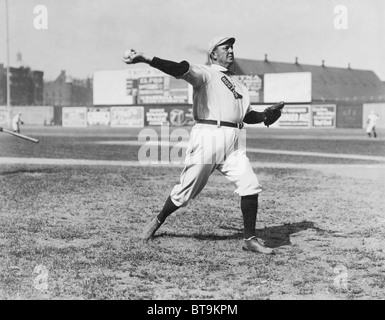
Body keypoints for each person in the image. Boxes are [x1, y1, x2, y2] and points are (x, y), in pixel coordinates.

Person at [123, 36, 280, 254]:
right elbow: (179, 68)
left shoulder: (241, 86)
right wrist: (145, 59)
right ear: (213, 54)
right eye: (225, 47)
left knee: (250, 185)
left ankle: (250, 239)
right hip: (209, 135)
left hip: (234, 139)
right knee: (184, 192)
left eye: (232, 47)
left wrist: (264, 116)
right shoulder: (206, 74)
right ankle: (158, 220)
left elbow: (246, 115)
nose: (231, 51)